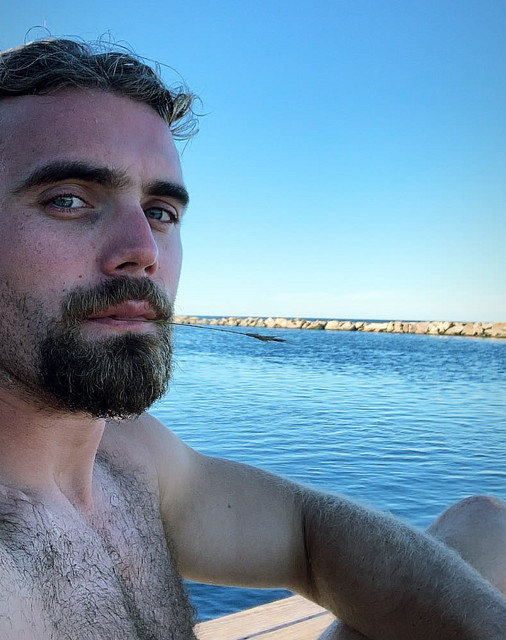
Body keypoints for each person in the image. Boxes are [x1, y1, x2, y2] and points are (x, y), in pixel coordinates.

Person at [0, 38, 504, 640]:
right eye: (67, 200)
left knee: (483, 523)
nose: (143, 250)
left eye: (160, 211)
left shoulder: (128, 453)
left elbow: (305, 531)